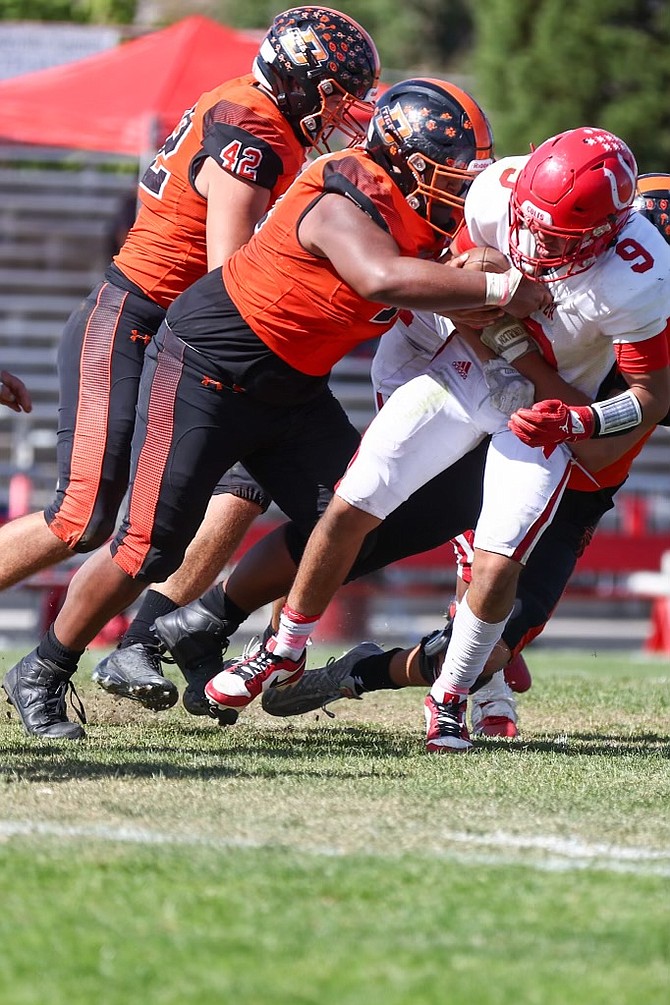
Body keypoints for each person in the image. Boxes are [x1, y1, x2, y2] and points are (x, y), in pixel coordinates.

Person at [203, 127, 670, 753]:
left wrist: (573, 418)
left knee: (494, 564)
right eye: (530, 224)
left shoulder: (640, 281)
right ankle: (281, 649)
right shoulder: (496, 196)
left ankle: (445, 696)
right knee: (354, 500)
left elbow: (637, 413)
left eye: (555, 238)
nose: (533, 246)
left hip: (556, 424)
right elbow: (457, 292)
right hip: (468, 368)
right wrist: (511, 342)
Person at [1, 5, 383, 739]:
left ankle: (176, 629)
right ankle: (83, 656)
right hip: (138, 324)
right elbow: (229, 275)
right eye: (336, 91)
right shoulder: (253, 128)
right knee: (83, 518)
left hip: (200, 340)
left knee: (254, 487)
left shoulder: (254, 108)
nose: (345, 109)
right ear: (299, 79)